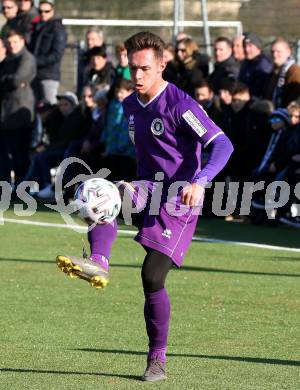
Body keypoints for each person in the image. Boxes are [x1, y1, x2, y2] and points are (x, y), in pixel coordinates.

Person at [56, 31, 233, 382]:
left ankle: (157, 359)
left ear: (162, 66)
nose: (137, 76)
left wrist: (200, 182)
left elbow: (223, 145)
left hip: (180, 200)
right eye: (132, 68)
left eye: (145, 69)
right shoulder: (130, 105)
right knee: (103, 196)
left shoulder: (182, 105)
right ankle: (98, 262)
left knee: (151, 278)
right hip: (148, 189)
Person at [0, 29, 36, 187]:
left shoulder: (26, 58)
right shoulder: (8, 59)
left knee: (19, 155)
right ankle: (5, 187)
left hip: (19, 114)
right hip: (6, 114)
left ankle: (23, 189)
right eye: (10, 43)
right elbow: (12, 81)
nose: (12, 45)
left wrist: (7, 80)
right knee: (3, 155)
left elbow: (17, 80)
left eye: (15, 42)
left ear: (22, 41)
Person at [29, 0, 67, 104]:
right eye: (40, 11)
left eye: (47, 11)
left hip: (48, 76)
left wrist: (35, 61)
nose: (43, 14)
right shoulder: (38, 27)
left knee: (49, 108)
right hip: (35, 75)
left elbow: (56, 55)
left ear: (53, 11)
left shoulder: (58, 28)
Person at [264, 37, 300, 108]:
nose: (274, 55)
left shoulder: (294, 72)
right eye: (272, 51)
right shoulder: (275, 71)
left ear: (288, 52)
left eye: (278, 52)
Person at [239, 32, 272, 98]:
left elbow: (260, 90)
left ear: (258, 47)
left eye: (250, 46)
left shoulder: (263, 65)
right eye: (245, 46)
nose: (247, 49)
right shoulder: (246, 63)